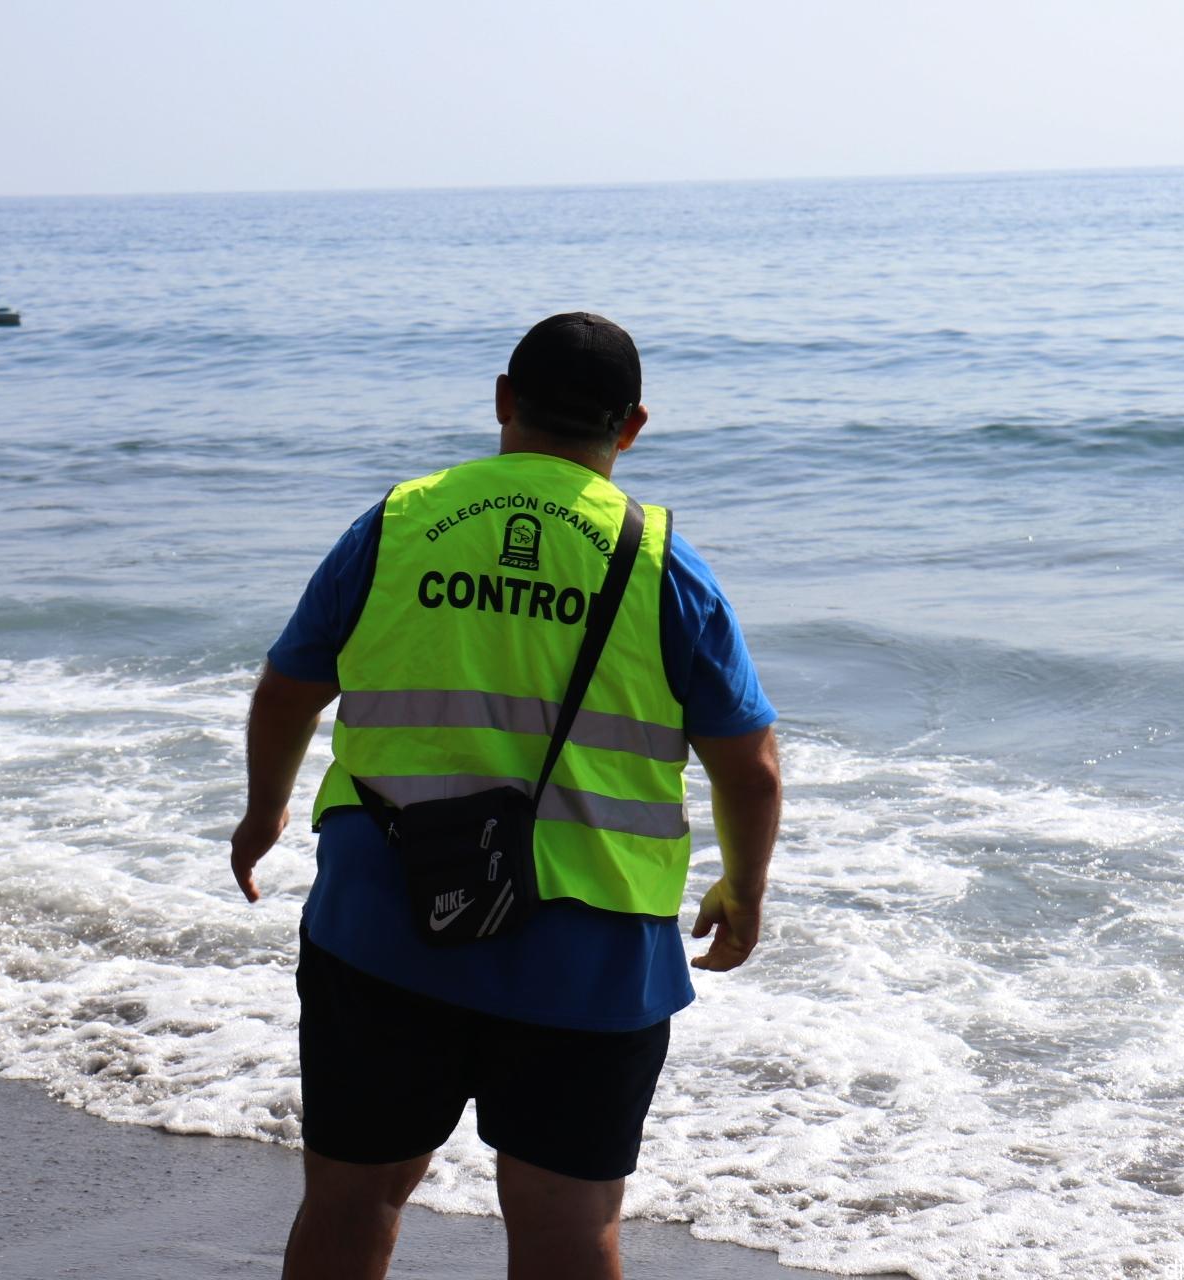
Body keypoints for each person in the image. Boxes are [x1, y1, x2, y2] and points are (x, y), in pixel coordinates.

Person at [230, 312, 782, 1280]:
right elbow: (751, 767)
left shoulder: (397, 523)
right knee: (568, 1228)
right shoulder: (662, 563)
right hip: (589, 949)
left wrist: (264, 811)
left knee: (353, 1199)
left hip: (385, 920)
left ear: (502, 401)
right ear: (632, 426)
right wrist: (744, 889)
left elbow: (287, 692)